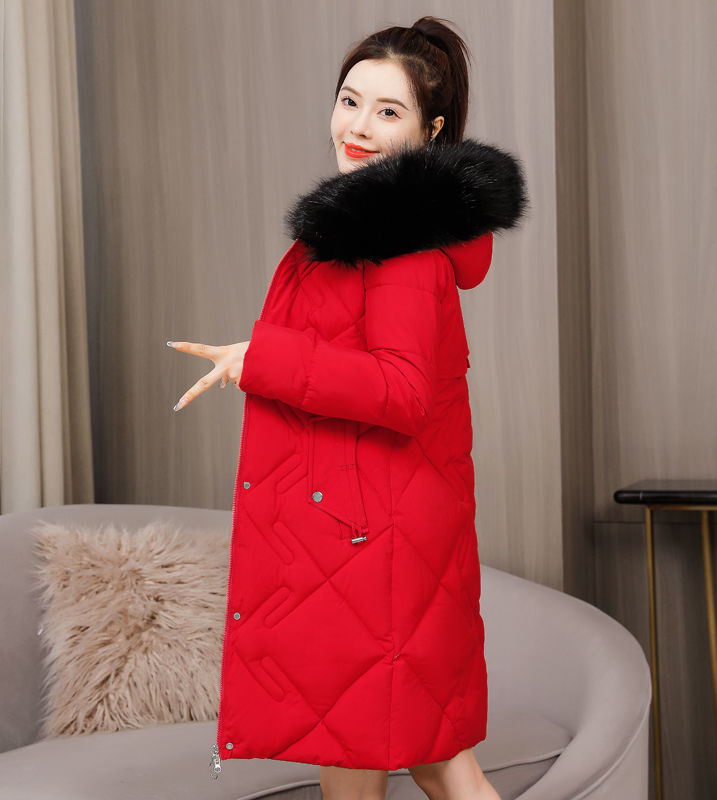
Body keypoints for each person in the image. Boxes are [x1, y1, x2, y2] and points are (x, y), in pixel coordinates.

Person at [168, 15, 528, 800]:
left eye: (387, 111)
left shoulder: (399, 242)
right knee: (377, 745)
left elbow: (403, 388)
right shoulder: (355, 229)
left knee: (431, 760)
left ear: (432, 131)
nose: (358, 127)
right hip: (353, 536)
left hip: (375, 546)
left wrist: (261, 361)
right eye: (349, 101)